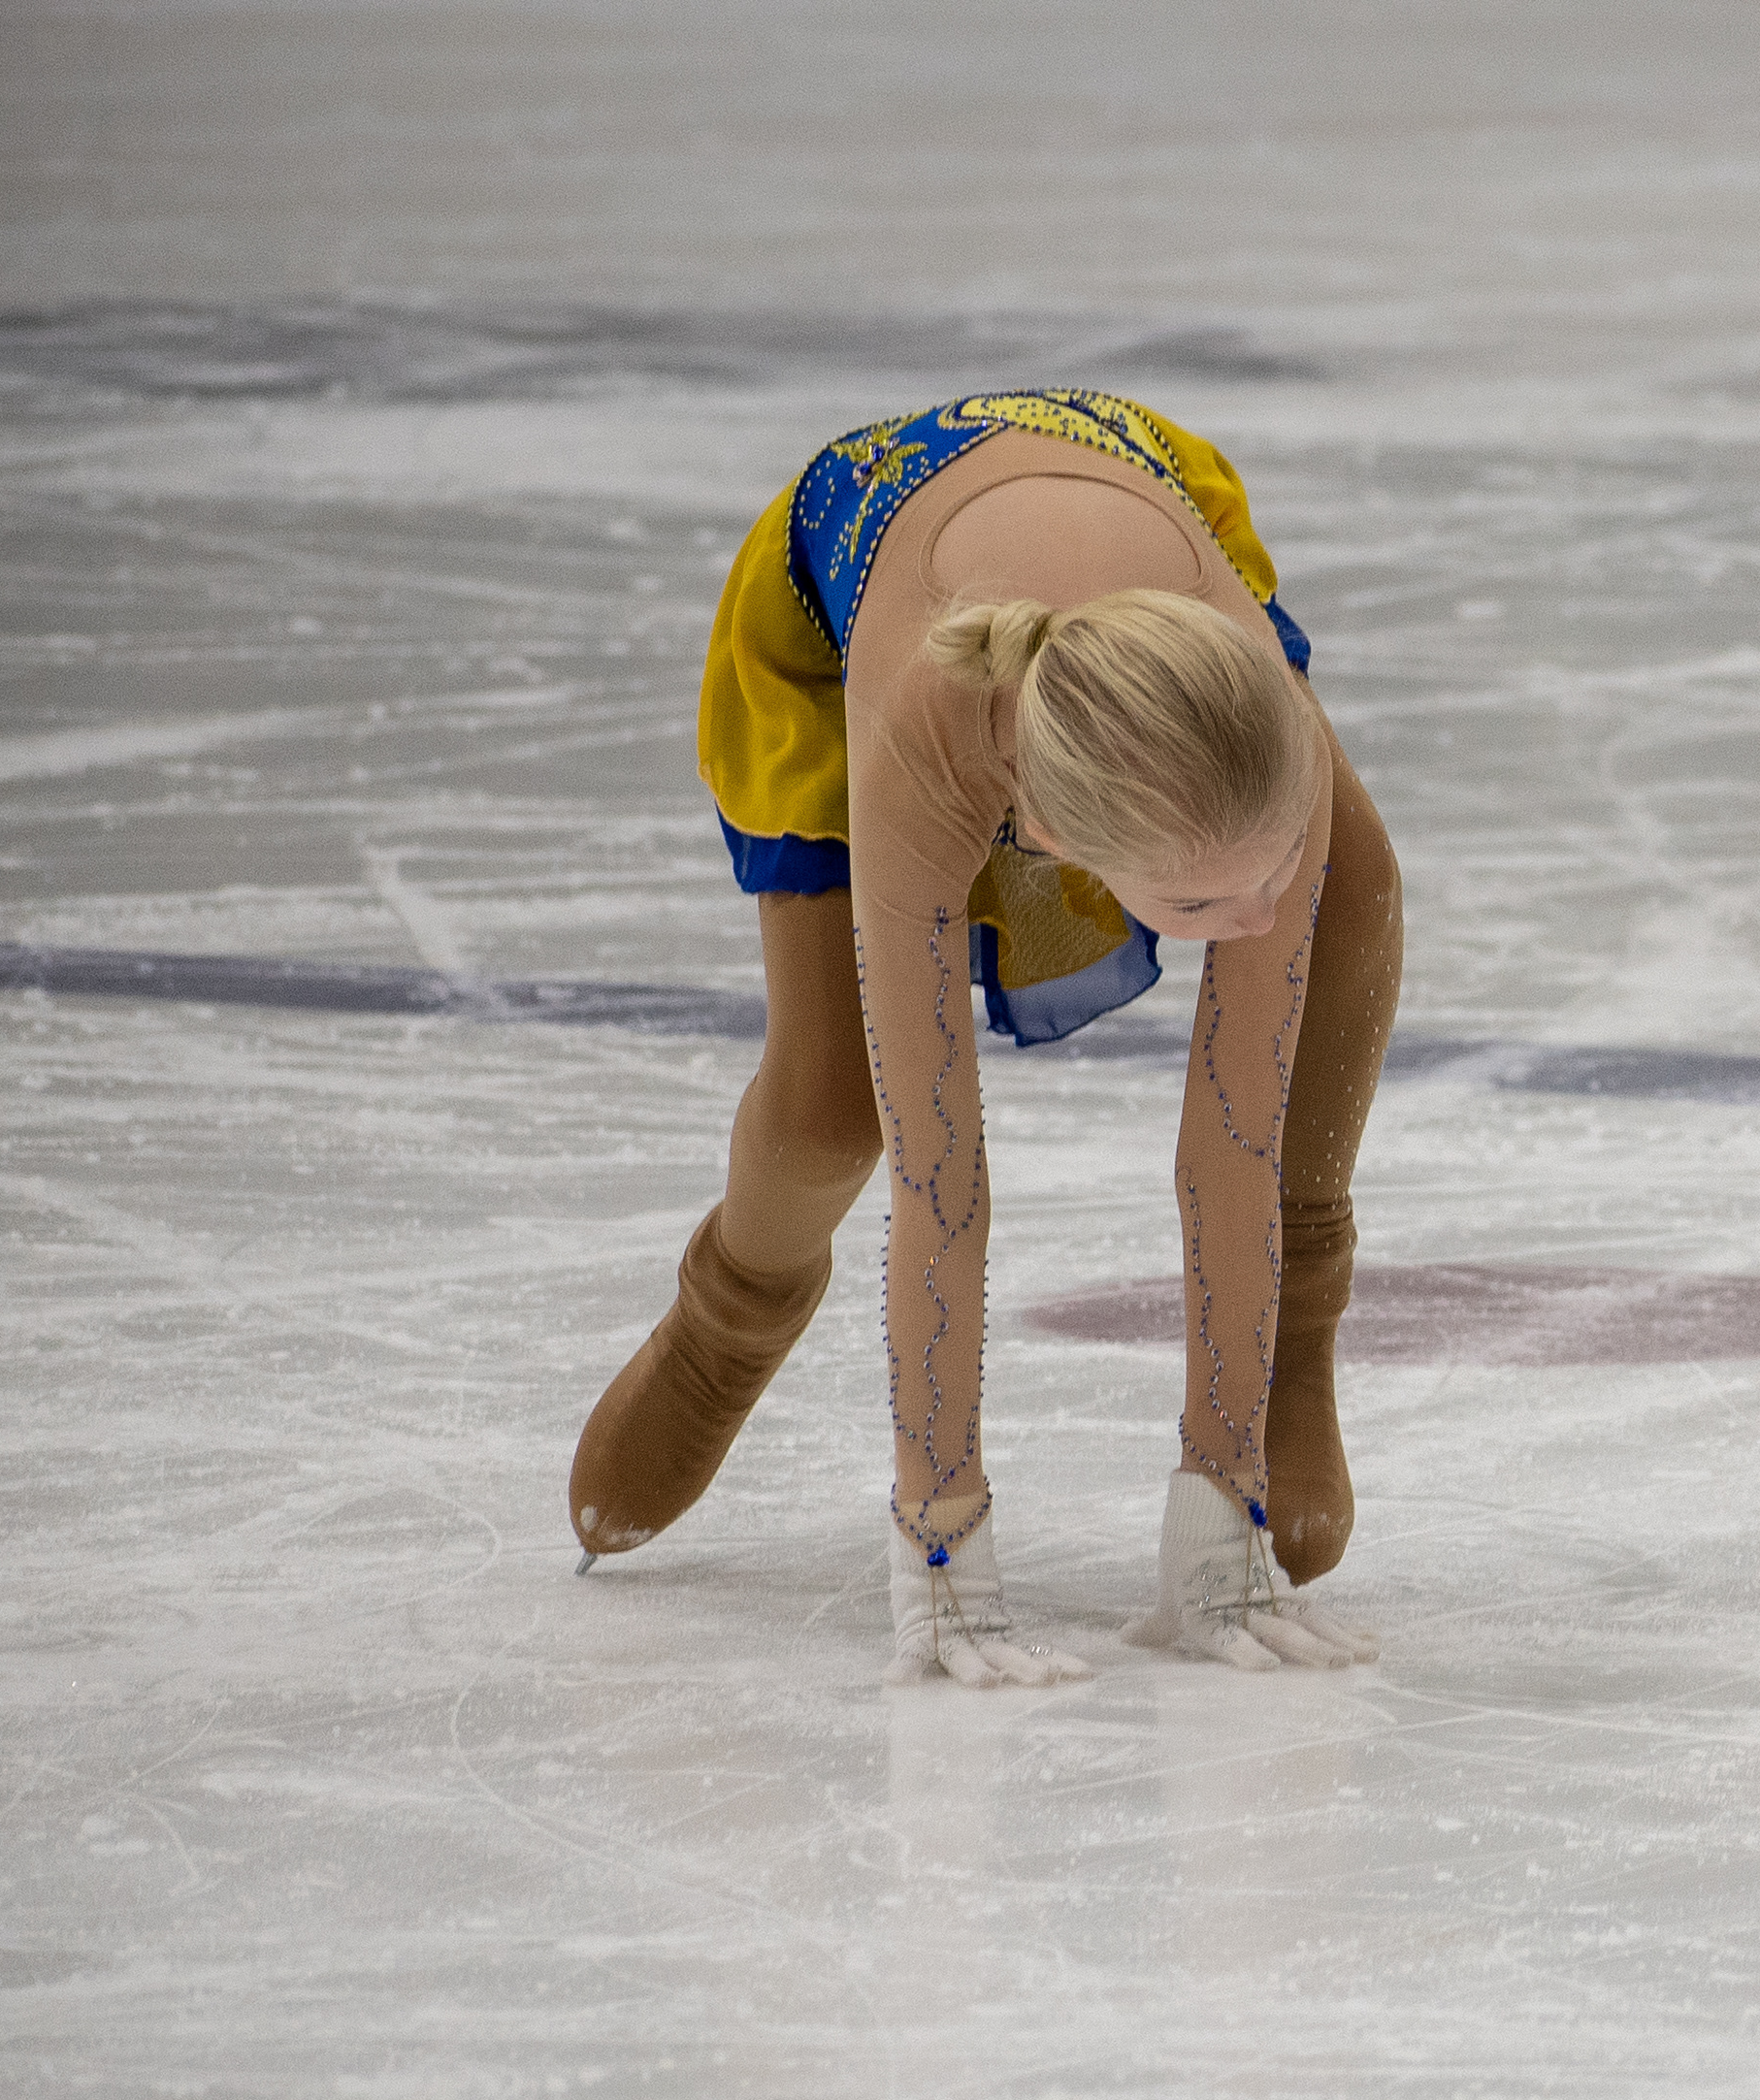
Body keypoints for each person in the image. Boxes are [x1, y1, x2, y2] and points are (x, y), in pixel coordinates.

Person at [568, 390, 1396, 1683]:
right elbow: (939, 1182)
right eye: (1193, 907)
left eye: (1266, 859)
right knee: (836, 1113)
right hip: (845, 579)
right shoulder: (928, 739)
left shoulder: (1258, 702)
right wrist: (939, 1545)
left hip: (1133, 498)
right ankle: (727, 1315)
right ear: (1050, 849)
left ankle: (1298, 1334)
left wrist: (1224, 1491)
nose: (1254, 914)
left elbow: (1235, 1128)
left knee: (1351, 900)